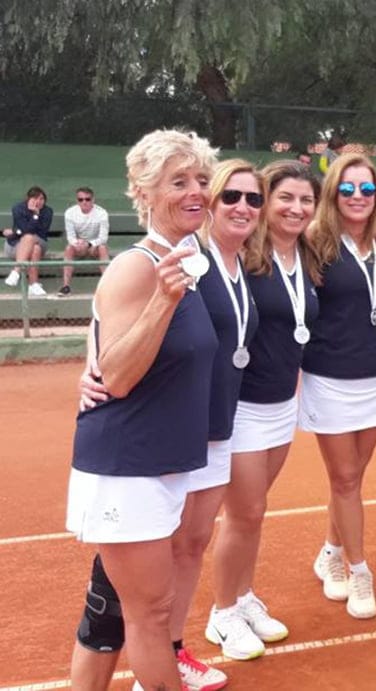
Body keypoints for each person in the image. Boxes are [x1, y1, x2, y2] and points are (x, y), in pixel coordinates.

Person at [69, 159, 265, 691]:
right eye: (178, 183)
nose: (195, 192)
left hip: (165, 457)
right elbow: (119, 375)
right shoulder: (141, 266)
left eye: (202, 181)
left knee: (114, 608)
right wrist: (162, 300)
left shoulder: (192, 257)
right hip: (129, 462)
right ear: (143, 191)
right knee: (149, 617)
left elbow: (103, 324)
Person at [205, 160, 320, 660]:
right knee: (244, 513)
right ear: (265, 203)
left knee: (255, 513)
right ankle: (222, 613)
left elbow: (364, 217)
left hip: (281, 403)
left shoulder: (311, 255)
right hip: (244, 403)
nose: (295, 209)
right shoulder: (243, 258)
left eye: (306, 200)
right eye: (283, 198)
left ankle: (244, 597)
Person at [301, 153, 376, 619]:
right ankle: (358, 570)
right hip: (330, 376)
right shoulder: (313, 241)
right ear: (332, 193)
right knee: (344, 479)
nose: (357, 197)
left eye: (365, 189)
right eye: (347, 189)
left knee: (352, 480)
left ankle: (329, 550)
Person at [59, 187, 111, 296]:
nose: (84, 202)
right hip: (79, 246)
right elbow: (70, 237)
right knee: (69, 248)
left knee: (103, 248)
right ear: (77, 200)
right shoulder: (70, 213)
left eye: (87, 199)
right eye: (80, 199)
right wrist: (77, 243)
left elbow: (103, 237)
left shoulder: (102, 213)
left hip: (94, 246)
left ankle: (107, 286)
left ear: (93, 200)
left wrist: (90, 244)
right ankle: (65, 287)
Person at [3, 186, 53, 296]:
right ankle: (33, 284)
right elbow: (25, 231)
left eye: (41, 199)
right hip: (14, 245)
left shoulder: (48, 212)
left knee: (31, 238)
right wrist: (22, 231)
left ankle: (16, 271)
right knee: (34, 247)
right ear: (28, 199)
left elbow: (40, 232)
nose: (38, 202)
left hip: (40, 240)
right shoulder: (18, 208)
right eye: (35, 199)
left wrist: (35, 215)